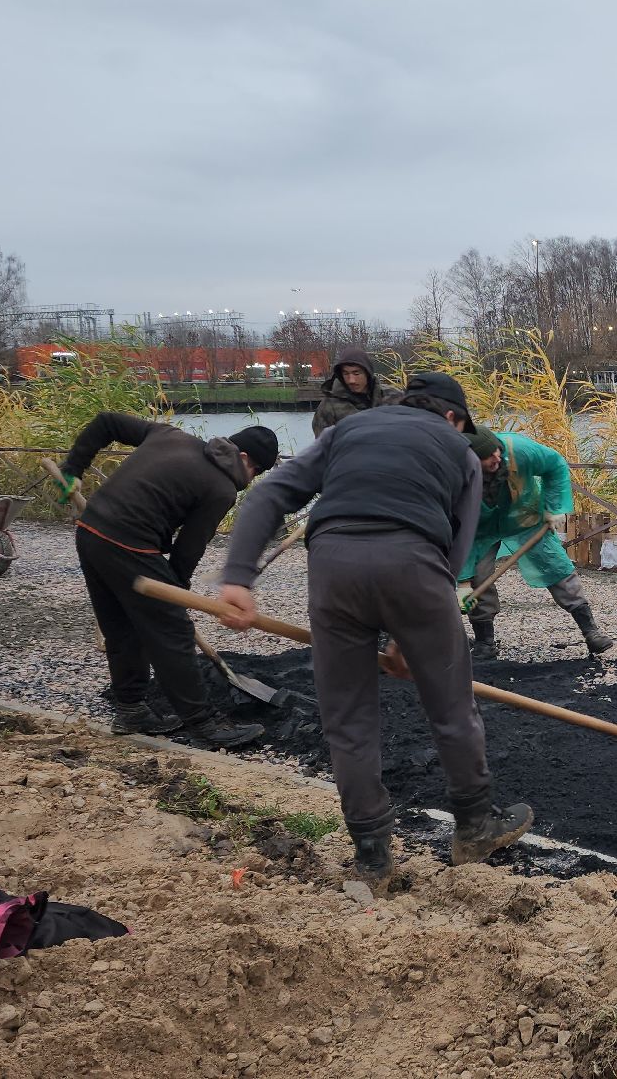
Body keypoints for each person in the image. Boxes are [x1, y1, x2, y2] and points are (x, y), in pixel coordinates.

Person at [214, 372, 533, 878]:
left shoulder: (348, 431)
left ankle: (372, 855)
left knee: (348, 717)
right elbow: (457, 548)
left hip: (333, 567)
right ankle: (474, 825)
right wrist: (416, 628)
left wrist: (238, 579)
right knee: (450, 705)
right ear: (453, 417)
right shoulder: (458, 450)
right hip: (415, 565)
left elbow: (264, 497)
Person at [54, 413, 278, 749]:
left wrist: (73, 468)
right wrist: (174, 599)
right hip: (129, 542)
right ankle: (204, 726)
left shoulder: (170, 435)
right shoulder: (221, 488)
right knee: (173, 633)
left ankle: (130, 709)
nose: (251, 478)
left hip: (91, 531)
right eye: (256, 472)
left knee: (122, 627)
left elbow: (105, 422)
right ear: (244, 458)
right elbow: (189, 549)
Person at [461, 427, 615, 661]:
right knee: (477, 578)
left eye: (495, 452)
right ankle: (485, 641)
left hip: (526, 517)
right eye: (486, 457)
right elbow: (455, 525)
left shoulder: (517, 450)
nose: (495, 458)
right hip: (479, 529)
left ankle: (591, 632)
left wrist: (553, 509)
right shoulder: (456, 475)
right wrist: (462, 581)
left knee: (556, 567)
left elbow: (555, 465)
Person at [312, 347, 396, 435]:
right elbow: (323, 443)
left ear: (367, 373)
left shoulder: (392, 397)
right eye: (346, 374)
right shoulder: (329, 406)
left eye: (356, 373)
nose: (351, 380)